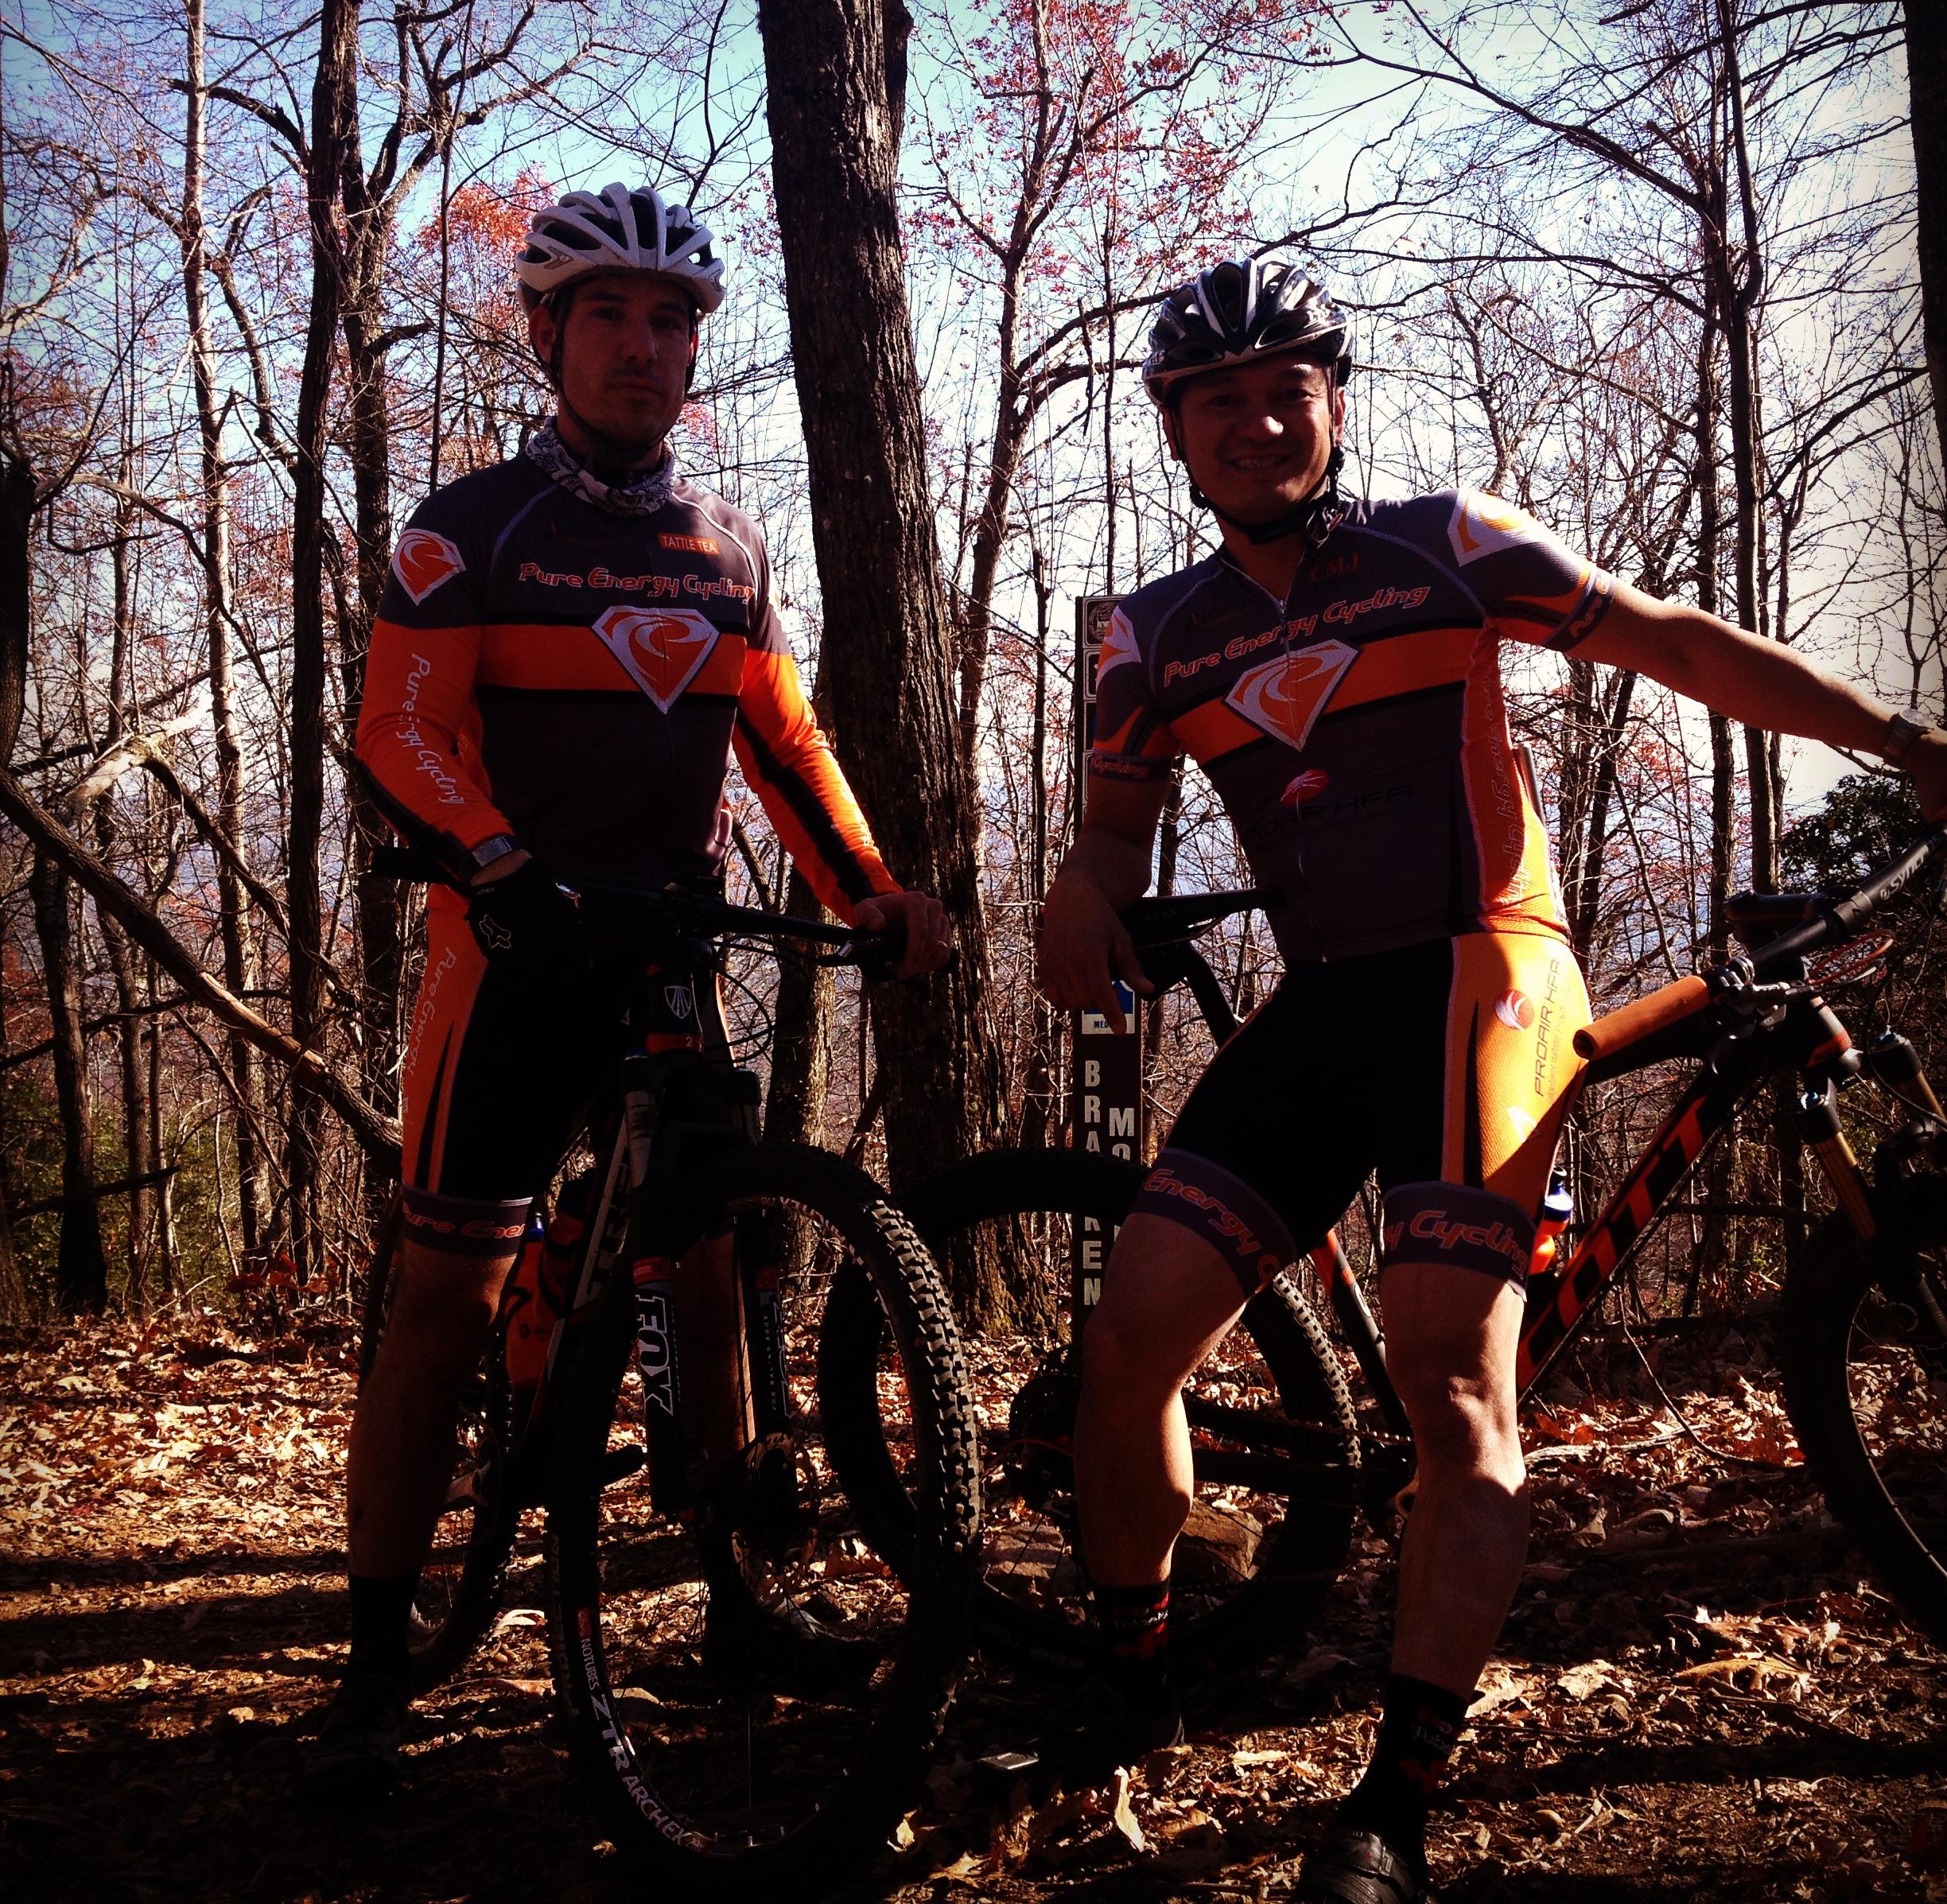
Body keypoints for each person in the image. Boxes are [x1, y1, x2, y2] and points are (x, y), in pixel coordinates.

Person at [1036, 255, 1947, 1902]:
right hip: (1325, 1003)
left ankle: (1392, 1804)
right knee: (1128, 1348)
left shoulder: (1443, 544)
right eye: (1217, 401)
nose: (1256, 423)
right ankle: (1134, 1669)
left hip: (1488, 974)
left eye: (1286, 390)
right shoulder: (1151, 633)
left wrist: (1901, 747)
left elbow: (1676, 644)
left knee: (1453, 1383)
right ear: (1173, 432)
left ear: (1333, 402)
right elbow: (1113, 829)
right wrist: (1079, 891)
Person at [313, 180, 952, 1793]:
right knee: (447, 1291)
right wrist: (493, 858)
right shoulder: (469, 530)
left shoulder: (724, 550)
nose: (643, 347)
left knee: (711, 1264)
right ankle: (377, 1655)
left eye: (671, 321)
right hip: (510, 958)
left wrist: (871, 894)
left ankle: (738, 1598)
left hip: (669, 945)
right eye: (607, 314)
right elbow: (396, 731)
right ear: (545, 333)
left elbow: (784, 745)